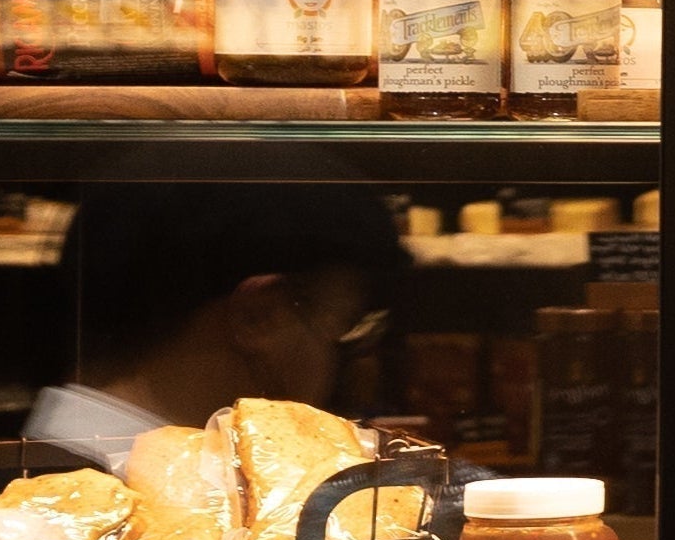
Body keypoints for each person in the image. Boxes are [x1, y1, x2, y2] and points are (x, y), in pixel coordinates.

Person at [21, 183, 409, 463]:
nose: (363, 363)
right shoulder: (89, 528)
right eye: (349, 326)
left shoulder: (22, 480)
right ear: (260, 316)